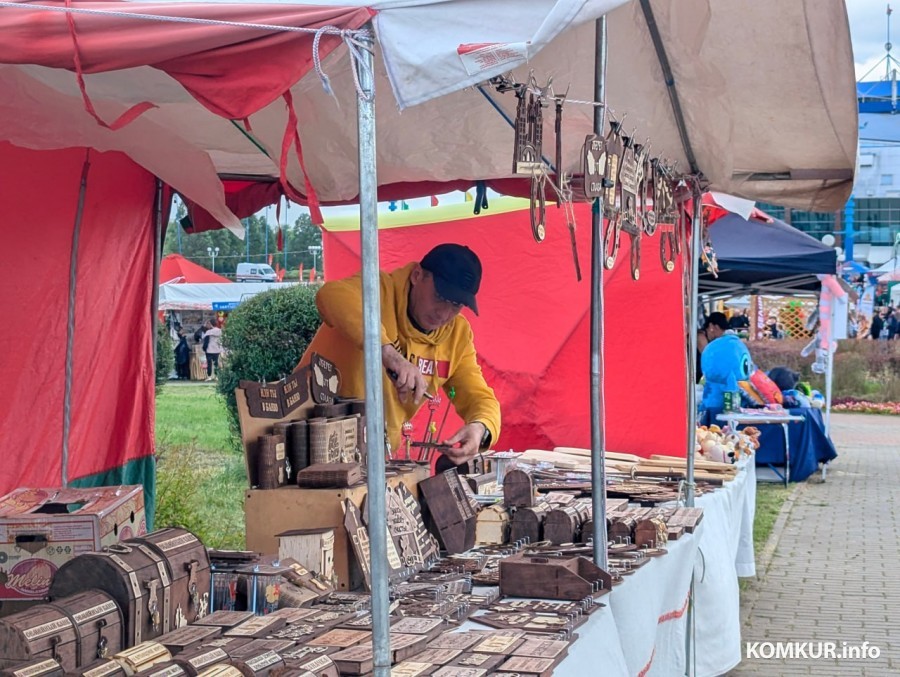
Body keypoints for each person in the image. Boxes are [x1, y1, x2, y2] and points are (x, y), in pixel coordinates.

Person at [295, 244, 500, 468]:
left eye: (456, 305)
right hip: (308, 442)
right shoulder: (379, 291)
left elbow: (480, 399)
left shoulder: (457, 336)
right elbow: (330, 296)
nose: (444, 313)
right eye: (439, 296)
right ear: (417, 275)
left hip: (373, 457)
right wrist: (387, 352)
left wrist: (481, 428)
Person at [695, 312, 731, 383]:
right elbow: (710, 357)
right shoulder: (700, 337)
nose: (722, 332)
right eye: (721, 328)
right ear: (711, 326)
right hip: (694, 378)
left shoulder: (713, 340)